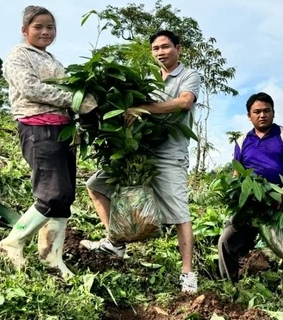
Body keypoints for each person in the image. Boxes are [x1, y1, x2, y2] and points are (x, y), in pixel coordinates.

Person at [81, 30, 202, 294]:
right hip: (141, 151)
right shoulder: (148, 79)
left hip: (170, 154)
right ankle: (116, 242)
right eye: (156, 48)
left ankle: (187, 273)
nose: (160, 52)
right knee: (96, 185)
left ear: (178, 49)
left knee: (180, 213)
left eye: (166, 47)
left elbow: (184, 103)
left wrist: (143, 108)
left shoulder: (188, 75)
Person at [0, 5, 96, 279]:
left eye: (50, 27)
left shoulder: (52, 59)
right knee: (51, 194)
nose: (45, 32)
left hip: (62, 131)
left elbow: (68, 90)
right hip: (37, 128)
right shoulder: (18, 56)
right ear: (24, 30)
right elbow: (31, 88)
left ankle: (51, 257)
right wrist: (75, 100)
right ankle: (13, 242)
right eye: (38, 27)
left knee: (64, 197)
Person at [217, 92, 283, 302]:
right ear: (249, 116)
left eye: (266, 111)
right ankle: (229, 290)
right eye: (257, 112)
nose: (262, 115)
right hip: (252, 205)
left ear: (273, 112)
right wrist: (236, 196)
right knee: (227, 240)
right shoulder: (242, 141)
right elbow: (237, 173)